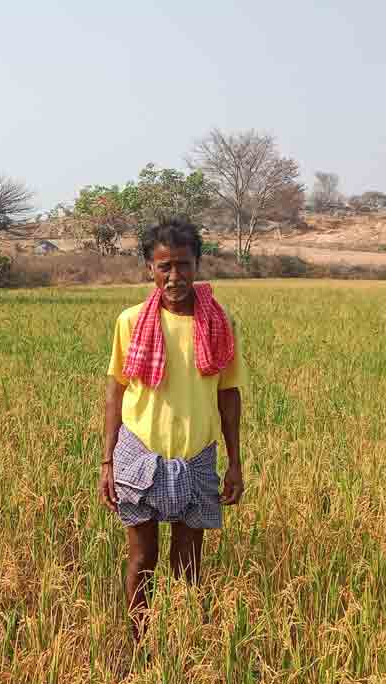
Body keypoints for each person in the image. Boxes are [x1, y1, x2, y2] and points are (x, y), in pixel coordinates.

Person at [100, 218, 246, 639]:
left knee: (189, 561)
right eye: (165, 267)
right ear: (150, 269)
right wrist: (107, 460)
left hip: (197, 454)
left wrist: (235, 462)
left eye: (183, 265)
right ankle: (139, 644)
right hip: (139, 454)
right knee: (142, 559)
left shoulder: (220, 322)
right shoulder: (130, 322)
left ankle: (187, 643)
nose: (175, 276)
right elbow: (116, 393)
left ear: (198, 265)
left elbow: (229, 394)